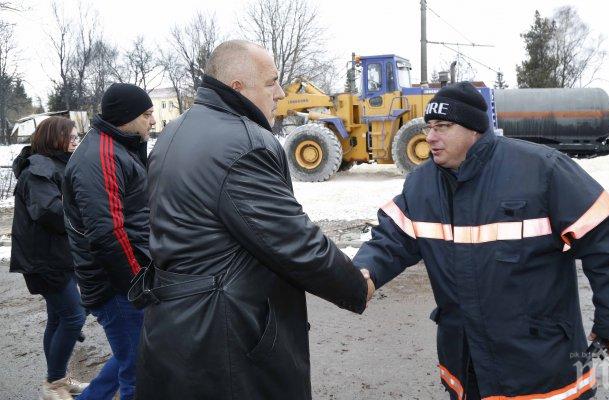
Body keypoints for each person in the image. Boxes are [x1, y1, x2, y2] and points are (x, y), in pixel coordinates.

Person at [354, 82, 609, 399]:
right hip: (466, 362)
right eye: (429, 127)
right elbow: (389, 240)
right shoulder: (422, 185)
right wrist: (363, 274)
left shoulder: (541, 170)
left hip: (539, 363)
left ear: (474, 129)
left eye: (443, 127)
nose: (431, 137)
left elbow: (607, 237)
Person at [136, 40, 373, 399]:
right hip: (225, 337)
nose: (280, 92)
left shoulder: (175, 131)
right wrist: (356, 285)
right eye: (271, 82)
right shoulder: (244, 143)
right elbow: (293, 241)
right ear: (238, 88)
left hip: (175, 326)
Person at [62, 83, 154, 400]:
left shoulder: (118, 148)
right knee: (139, 372)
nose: (152, 121)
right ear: (126, 118)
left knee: (132, 354)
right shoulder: (100, 156)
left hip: (124, 280)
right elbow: (108, 232)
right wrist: (136, 284)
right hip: (117, 286)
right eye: (147, 114)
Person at [10, 116, 88, 400]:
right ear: (54, 138)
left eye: (77, 137)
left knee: (59, 318)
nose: (75, 142)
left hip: (56, 256)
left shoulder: (54, 164)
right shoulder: (39, 169)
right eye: (71, 137)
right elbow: (50, 212)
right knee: (73, 316)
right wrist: (85, 211)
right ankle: (53, 385)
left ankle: (58, 379)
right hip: (44, 259)